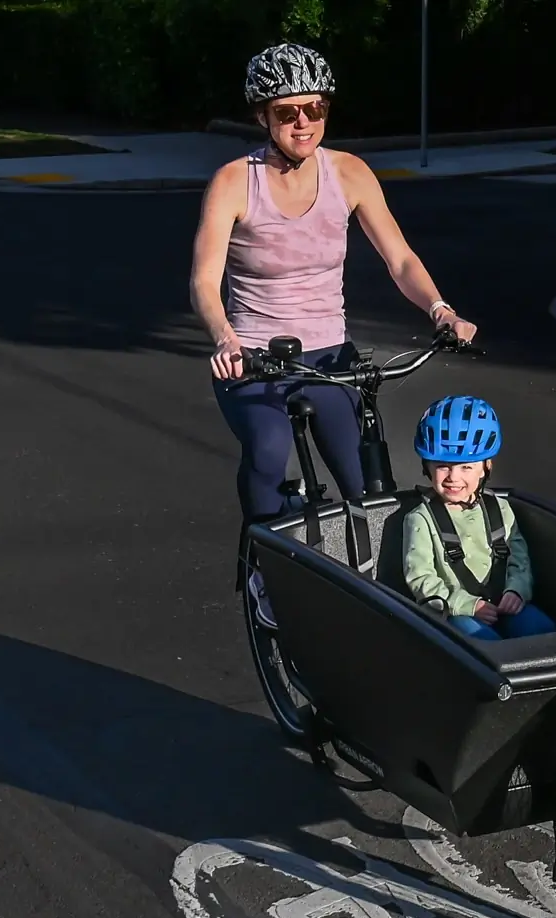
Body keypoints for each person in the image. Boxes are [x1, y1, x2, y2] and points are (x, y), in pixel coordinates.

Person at [190, 43, 477, 626]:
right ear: (262, 117)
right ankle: (263, 566)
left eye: (315, 110)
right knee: (268, 451)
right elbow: (204, 279)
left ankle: (394, 599)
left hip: (330, 355)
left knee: (366, 481)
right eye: (289, 111)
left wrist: (441, 311)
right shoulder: (233, 183)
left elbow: (400, 260)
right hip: (254, 357)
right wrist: (225, 337)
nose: (303, 123)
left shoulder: (349, 173)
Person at [402, 396, 556, 642]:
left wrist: (517, 590)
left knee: (543, 633)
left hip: (502, 601)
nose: (453, 477)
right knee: (483, 647)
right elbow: (421, 578)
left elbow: (519, 558)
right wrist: (467, 605)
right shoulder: (421, 519)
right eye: (443, 466)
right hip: (453, 611)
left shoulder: (500, 509)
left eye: (466, 467)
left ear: (486, 467)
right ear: (426, 467)